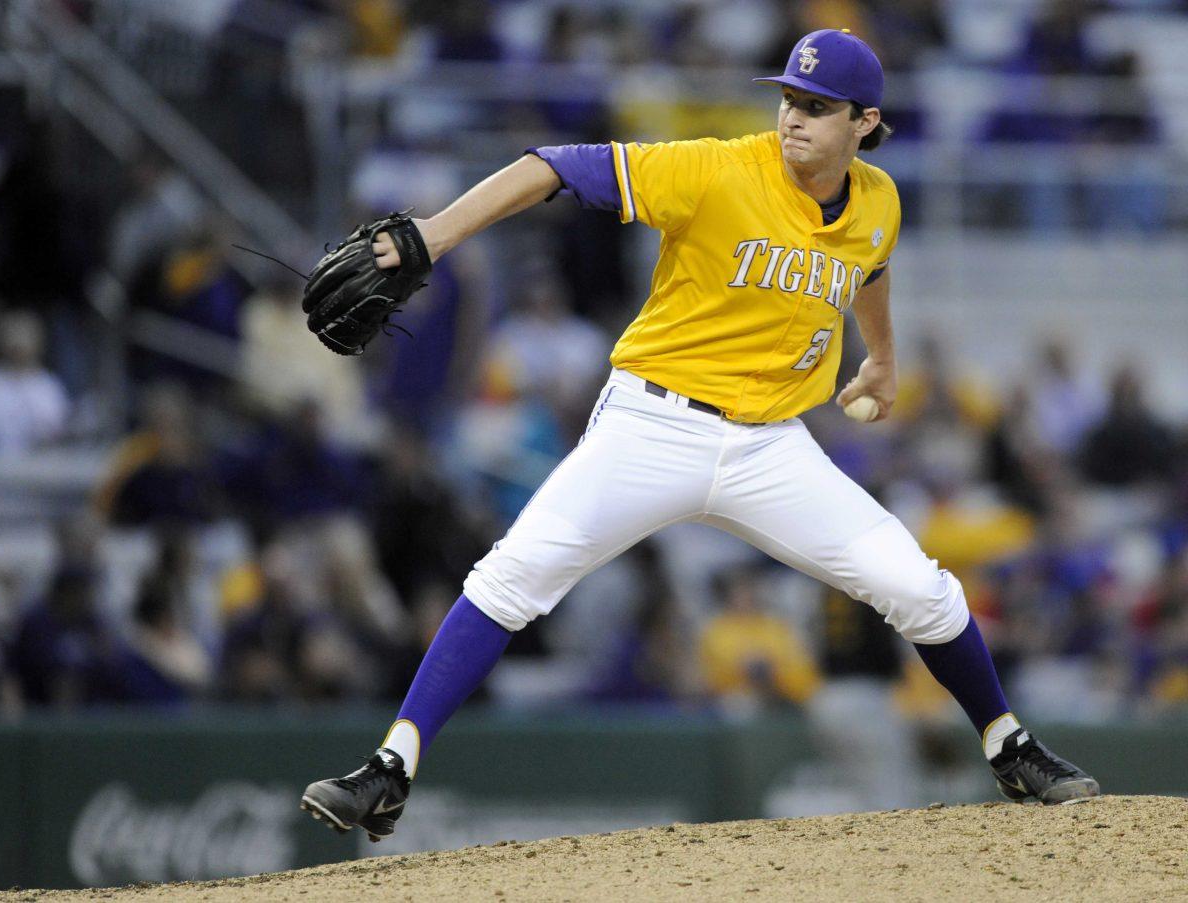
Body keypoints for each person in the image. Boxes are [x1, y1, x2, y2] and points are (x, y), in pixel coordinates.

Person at [300, 29, 1099, 842]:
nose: (793, 117)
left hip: (771, 447)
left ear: (864, 122)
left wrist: (884, 362)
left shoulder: (880, 201)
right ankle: (390, 767)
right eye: (788, 98)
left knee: (922, 589)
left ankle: (1010, 745)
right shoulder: (717, 168)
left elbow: (872, 264)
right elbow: (551, 165)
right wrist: (434, 233)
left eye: (817, 107)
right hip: (653, 424)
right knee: (511, 578)